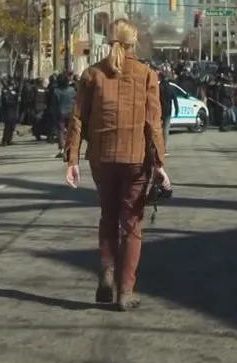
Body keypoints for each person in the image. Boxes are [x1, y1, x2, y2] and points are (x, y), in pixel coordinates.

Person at [63, 19, 168, 311]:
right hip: (136, 159)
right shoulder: (147, 75)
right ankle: (125, 291)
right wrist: (159, 163)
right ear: (134, 43)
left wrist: (72, 159)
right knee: (131, 226)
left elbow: (77, 118)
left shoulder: (92, 74)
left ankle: (107, 272)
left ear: (109, 41)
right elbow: (153, 123)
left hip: (101, 157)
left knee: (108, 216)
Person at [51, 72, 76, 159]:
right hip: (71, 112)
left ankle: (62, 149)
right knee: (70, 131)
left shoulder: (56, 91)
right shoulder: (72, 90)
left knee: (61, 131)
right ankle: (71, 148)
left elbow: (54, 104)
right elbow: (75, 100)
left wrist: (53, 113)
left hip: (60, 113)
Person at [0, 79, 22, 146]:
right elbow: (6, 101)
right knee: (7, 126)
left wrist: (17, 98)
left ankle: (9, 140)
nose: (12, 86)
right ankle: (5, 140)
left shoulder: (15, 92)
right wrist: (15, 99)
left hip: (14, 111)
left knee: (12, 127)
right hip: (8, 111)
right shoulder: (5, 92)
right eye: (11, 85)